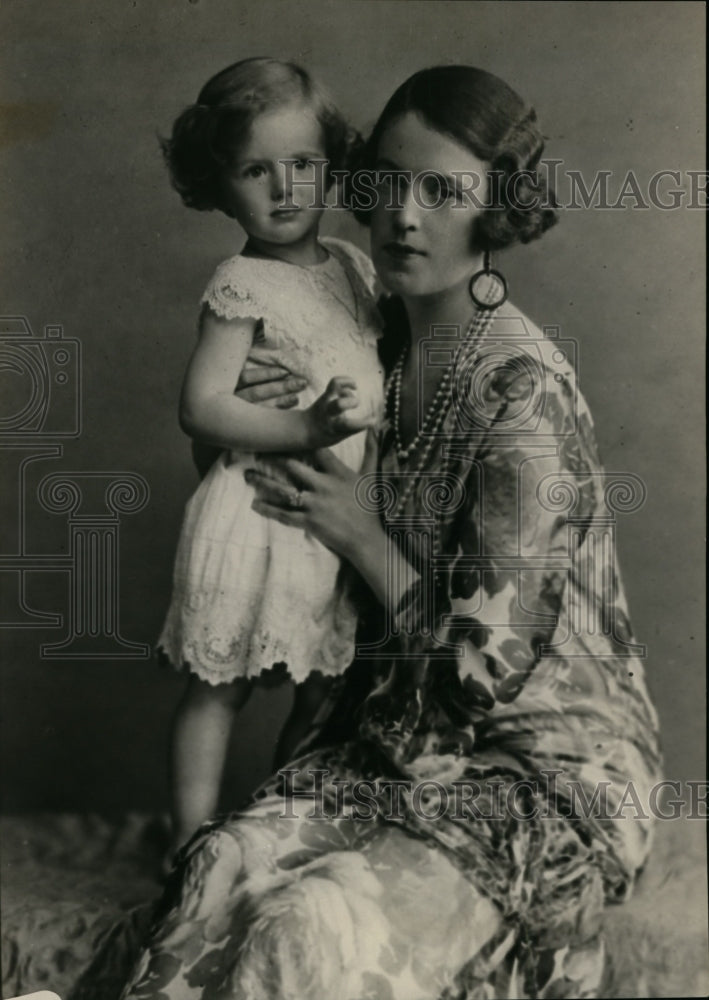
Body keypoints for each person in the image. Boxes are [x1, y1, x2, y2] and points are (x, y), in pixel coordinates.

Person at [73, 65, 661, 1000]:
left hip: (538, 769)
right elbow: (269, 488)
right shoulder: (368, 334)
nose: (401, 214)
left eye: (441, 190)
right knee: (218, 866)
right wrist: (253, 453)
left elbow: (481, 671)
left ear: (494, 209)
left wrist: (355, 532)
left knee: (311, 926)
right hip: (393, 736)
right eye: (385, 180)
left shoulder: (524, 397)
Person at [156, 57, 385, 859]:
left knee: (323, 688)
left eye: (303, 164)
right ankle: (189, 843)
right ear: (218, 184)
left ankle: (287, 834)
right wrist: (305, 428)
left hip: (330, 519)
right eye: (257, 169)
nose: (285, 189)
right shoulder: (240, 282)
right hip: (258, 509)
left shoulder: (355, 270)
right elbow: (202, 405)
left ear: (330, 167)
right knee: (221, 685)